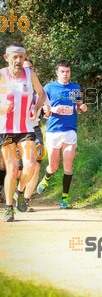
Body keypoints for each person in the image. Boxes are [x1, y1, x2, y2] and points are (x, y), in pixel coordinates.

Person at [0, 41, 46, 222]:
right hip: (7, 131)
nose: (18, 60)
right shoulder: (2, 76)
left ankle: (20, 193)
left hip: (26, 128)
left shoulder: (29, 74)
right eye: (15, 57)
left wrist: (36, 106)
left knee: (31, 165)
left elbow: (41, 94)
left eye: (21, 57)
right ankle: (9, 207)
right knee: (11, 169)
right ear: (6, 58)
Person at [37, 60, 87, 208]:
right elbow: (43, 108)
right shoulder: (49, 88)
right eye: (63, 72)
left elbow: (78, 106)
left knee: (68, 162)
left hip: (70, 130)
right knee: (53, 166)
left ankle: (65, 199)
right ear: (57, 73)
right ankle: (46, 178)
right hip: (53, 130)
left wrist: (82, 107)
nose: (65, 74)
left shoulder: (75, 88)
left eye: (68, 72)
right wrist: (49, 111)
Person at [14, 58, 51, 212]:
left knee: (35, 166)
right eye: (24, 68)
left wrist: (47, 112)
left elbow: (47, 110)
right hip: (14, 131)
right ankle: (13, 194)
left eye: (30, 68)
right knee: (17, 168)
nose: (28, 72)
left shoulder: (39, 92)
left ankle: (25, 200)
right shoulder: (12, 89)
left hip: (34, 130)